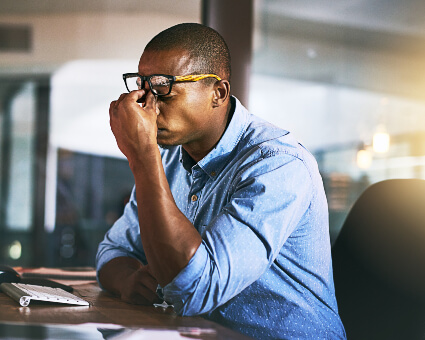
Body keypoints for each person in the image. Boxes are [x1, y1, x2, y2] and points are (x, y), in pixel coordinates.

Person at [96, 23, 346, 339]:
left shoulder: (278, 165)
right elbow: (112, 251)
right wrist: (129, 280)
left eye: (163, 87)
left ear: (218, 93)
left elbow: (196, 288)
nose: (146, 103)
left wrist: (142, 155)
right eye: (142, 86)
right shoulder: (172, 158)